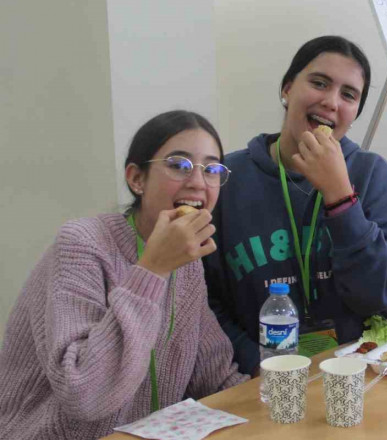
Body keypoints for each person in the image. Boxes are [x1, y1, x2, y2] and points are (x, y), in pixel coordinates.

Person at [0, 110, 247, 439]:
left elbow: (214, 375)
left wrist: (267, 402)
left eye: (212, 169)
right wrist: (152, 269)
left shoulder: (186, 262)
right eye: (179, 165)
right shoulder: (82, 245)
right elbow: (85, 395)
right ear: (136, 178)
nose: (199, 182)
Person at [204, 35, 387, 372]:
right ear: (287, 89)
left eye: (348, 95)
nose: (331, 102)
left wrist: (342, 200)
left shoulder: (370, 173)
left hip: (354, 371)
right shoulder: (227, 178)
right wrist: (257, 364)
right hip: (251, 378)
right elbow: (203, 299)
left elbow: (385, 290)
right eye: (319, 83)